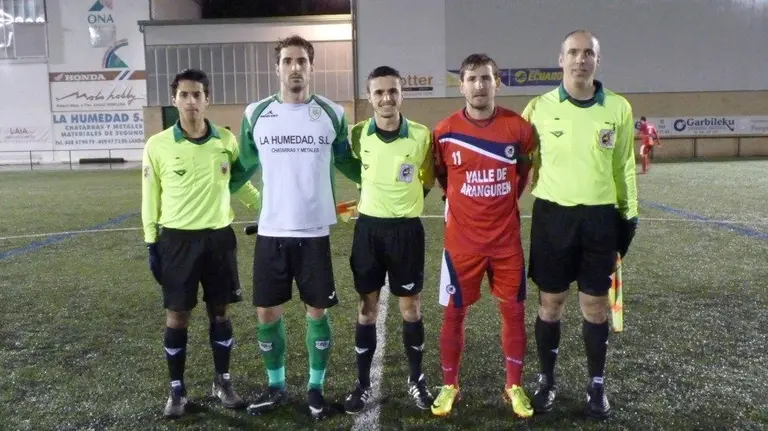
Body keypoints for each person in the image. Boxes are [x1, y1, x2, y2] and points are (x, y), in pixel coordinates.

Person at [228, 34, 359, 421]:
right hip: (272, 232)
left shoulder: (332, 113)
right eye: (288, 61)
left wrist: (381, 182)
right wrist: (217, 188)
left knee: (316, 312)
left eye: (302, 61)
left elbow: (347, 162)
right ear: (278, 68)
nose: (295, 68)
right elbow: (240, 169)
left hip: (314, 232)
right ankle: (276, 386)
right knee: (266, 312)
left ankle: (315, 388)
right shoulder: (256, 113)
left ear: (311, 67)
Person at [520, 29, 639, 419]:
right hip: (552, 217)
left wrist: (629, 214)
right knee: (550, 303)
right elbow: (519, 163)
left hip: (599, 219)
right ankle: (547, 381)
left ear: (597, 61)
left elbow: (623, 165)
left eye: (588, 53)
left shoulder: (618, 108)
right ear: (561, 59)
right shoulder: (538, 108)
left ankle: (596, 385)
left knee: (595, 306)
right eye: (573, 52)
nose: (580, 59)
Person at [141, 68, 261, 419]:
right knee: (177, 315)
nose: (191, 101)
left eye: (197, 95)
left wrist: (268, 208)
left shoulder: (226, 139)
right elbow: (150, 196)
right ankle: (177, 391)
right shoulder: (157, 145)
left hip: (219, 239)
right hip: (177, 241)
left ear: (207, 99)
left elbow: (238, 183)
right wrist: (151, 242)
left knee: (220, 312)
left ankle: (222, 382)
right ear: (174, 99)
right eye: (184, 95)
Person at [430, 53, 536, 419]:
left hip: (506, 243)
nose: (479, 85)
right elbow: (443, 178)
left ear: (497, 83)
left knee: (514, 312)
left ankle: (514, 386)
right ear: (461, 86)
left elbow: (523, 174)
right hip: (461, 244)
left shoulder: (518, 129)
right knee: (453, 314)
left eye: (486, 78)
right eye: (472, 79)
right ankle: (449, 385)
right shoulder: (444, 132)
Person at [341, 66, 435, 414]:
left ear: (401, 94)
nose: (386, 98)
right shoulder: (358, 134)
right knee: (367, 309)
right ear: (369, 97)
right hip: (368, 230)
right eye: (379, 92)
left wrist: (409, 201)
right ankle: (362, 383)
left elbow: (428, 177)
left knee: (411, 308)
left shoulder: (421, 135)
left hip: (406, 232)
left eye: (392, 91)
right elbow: (348, 164)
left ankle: (417, 380)